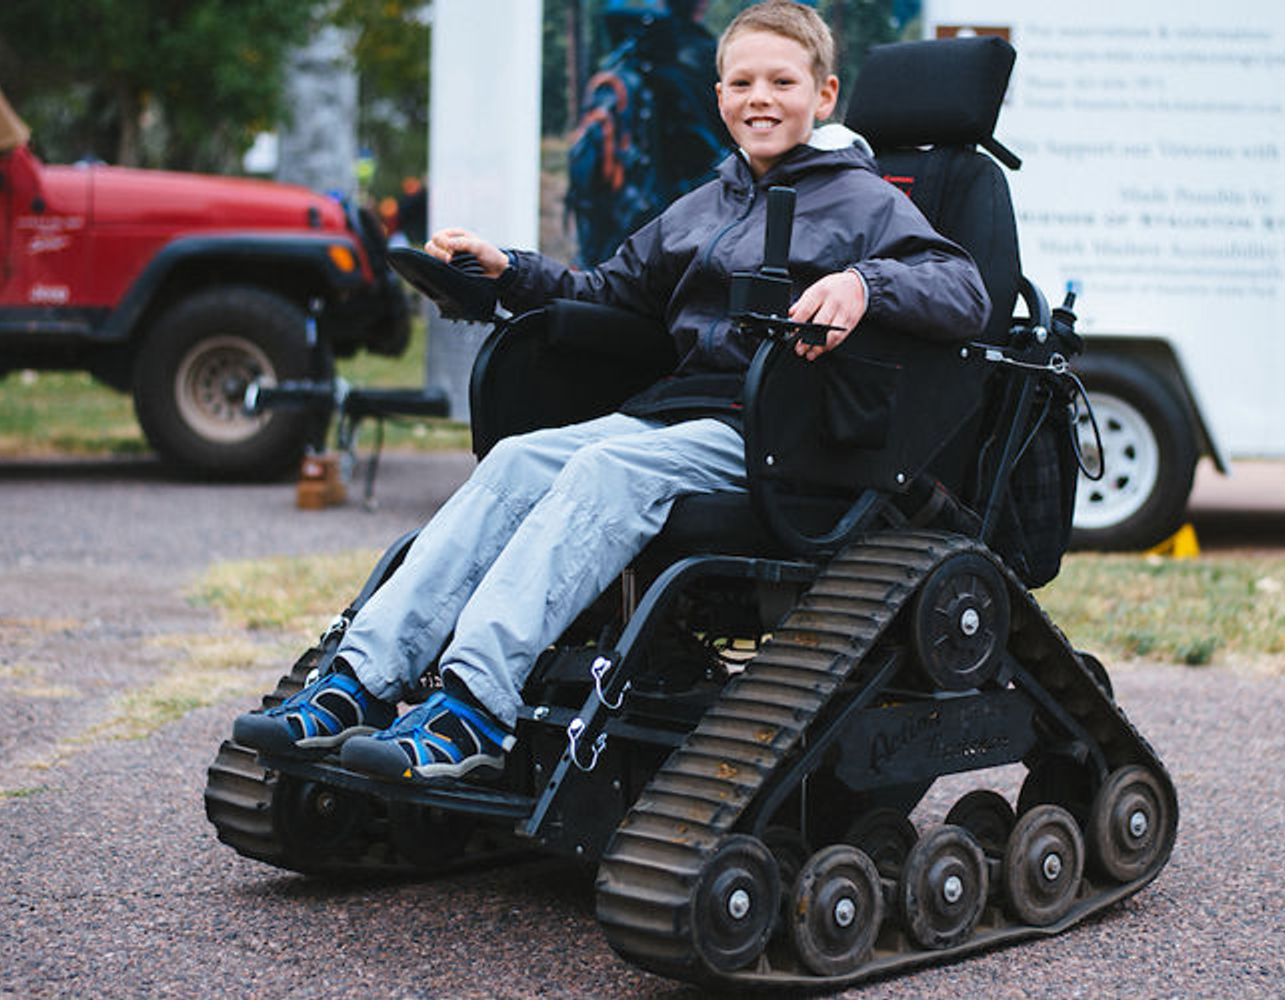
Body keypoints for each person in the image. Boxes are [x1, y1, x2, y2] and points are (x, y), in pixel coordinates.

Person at [232, 0, 990, 785]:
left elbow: (962, 289)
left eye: (782, 81)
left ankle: (474, 707)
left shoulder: (864, 200)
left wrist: (863, 283)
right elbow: (610, 292)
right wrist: (509, 271)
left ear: (824, 96)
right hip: (676, 413)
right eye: (741, 82)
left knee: (607, 474)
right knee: (521, 460)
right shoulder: (705, 203)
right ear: (720, 96)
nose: (760, 97)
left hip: (780, 427)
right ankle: (359, 678)